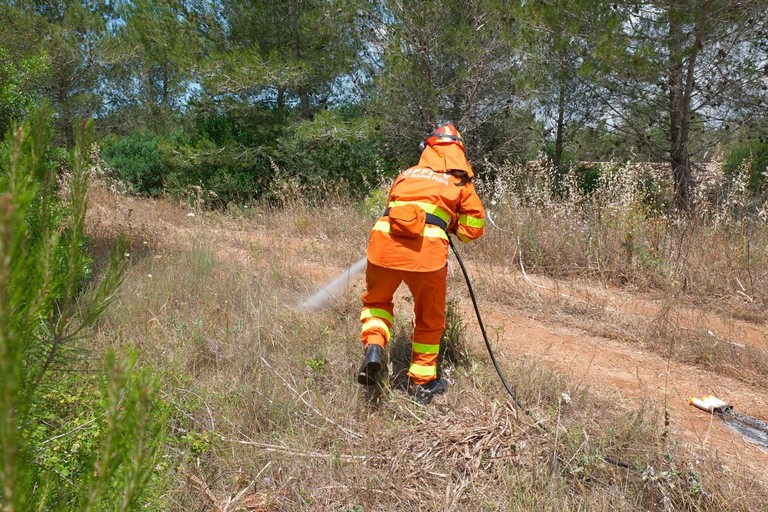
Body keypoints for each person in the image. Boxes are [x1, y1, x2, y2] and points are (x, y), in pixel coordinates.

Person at [357, 123, 485, 404]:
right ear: (458, 152)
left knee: (377, 302)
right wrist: (450, 225)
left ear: (426, 149)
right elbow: (472, 228)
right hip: (426, 255)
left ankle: (375, 346)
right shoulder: (460, 182)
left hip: (384, 245)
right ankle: (421, 384)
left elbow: (392, 207)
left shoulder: (406, 175)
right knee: (428, 316)